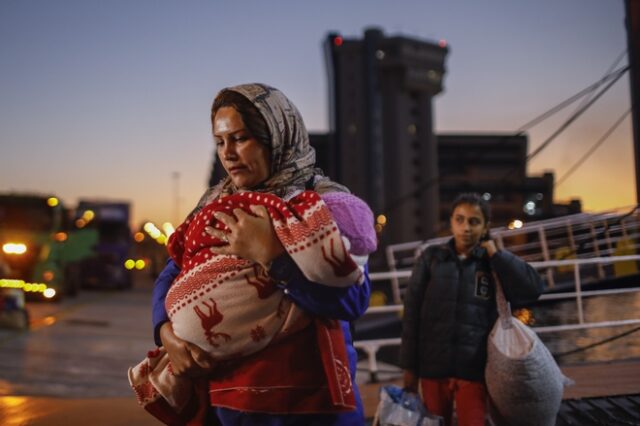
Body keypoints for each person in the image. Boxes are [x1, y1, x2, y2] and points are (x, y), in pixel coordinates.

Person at [141, 83, 377, 425]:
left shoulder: (327, 206)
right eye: (220, 142)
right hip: (229, 405)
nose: (228, 153)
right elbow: (171, 272)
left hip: (311, 405)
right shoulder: (214, 204)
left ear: (277, 136)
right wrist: (165, 333)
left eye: (240, 138)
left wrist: (272, 255)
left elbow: (352, 301)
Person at [399, 193, 543, 426]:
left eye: (474, 221)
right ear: (452, 222)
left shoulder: (492, 263)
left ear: (486, 226)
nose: (466, 227)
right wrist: (409, 371)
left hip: (475, 370)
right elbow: (411, 316)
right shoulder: (431, 259)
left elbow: (534, 288)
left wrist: (497, 255)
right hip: (433, 367)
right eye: (460, 219)